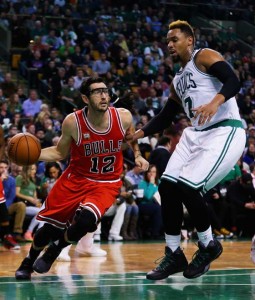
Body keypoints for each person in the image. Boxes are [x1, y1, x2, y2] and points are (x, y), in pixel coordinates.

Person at [126, 20, 246, 280]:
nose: (169, 45)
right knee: (167, 186)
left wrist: (215, 102)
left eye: (174, 39)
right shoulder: (178, 79)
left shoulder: (204, 56)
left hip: (224, 129)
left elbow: (233, 81)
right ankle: (174, 253)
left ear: (189, 40)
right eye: (167, 41)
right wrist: (139, 133)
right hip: (196, 135)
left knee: (189, 186)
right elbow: (166, 115)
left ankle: (208, 244)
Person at [15, 76, 149, 280]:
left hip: (106, 182)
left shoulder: (123, 117)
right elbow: (60, 153)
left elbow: (130, 136)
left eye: (105, 90)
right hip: (76, 179)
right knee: (48, 229)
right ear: (86, 99)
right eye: (97, 92)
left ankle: (55, 250)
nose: (104, 95)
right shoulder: (73, 122)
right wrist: (33, 155)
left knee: (85, 221)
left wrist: (138, 154)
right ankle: (28, 261)